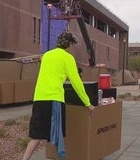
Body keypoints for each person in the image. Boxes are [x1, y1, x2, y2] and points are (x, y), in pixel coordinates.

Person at [22, 31, 95, 160]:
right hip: (54, 99)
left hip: (39, 98)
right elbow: (76, 82)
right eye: (73, 45)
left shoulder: (47, 56)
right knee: (57, 135)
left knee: (37, 135)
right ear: (70, 44)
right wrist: (87, 103)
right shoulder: (67, 58)